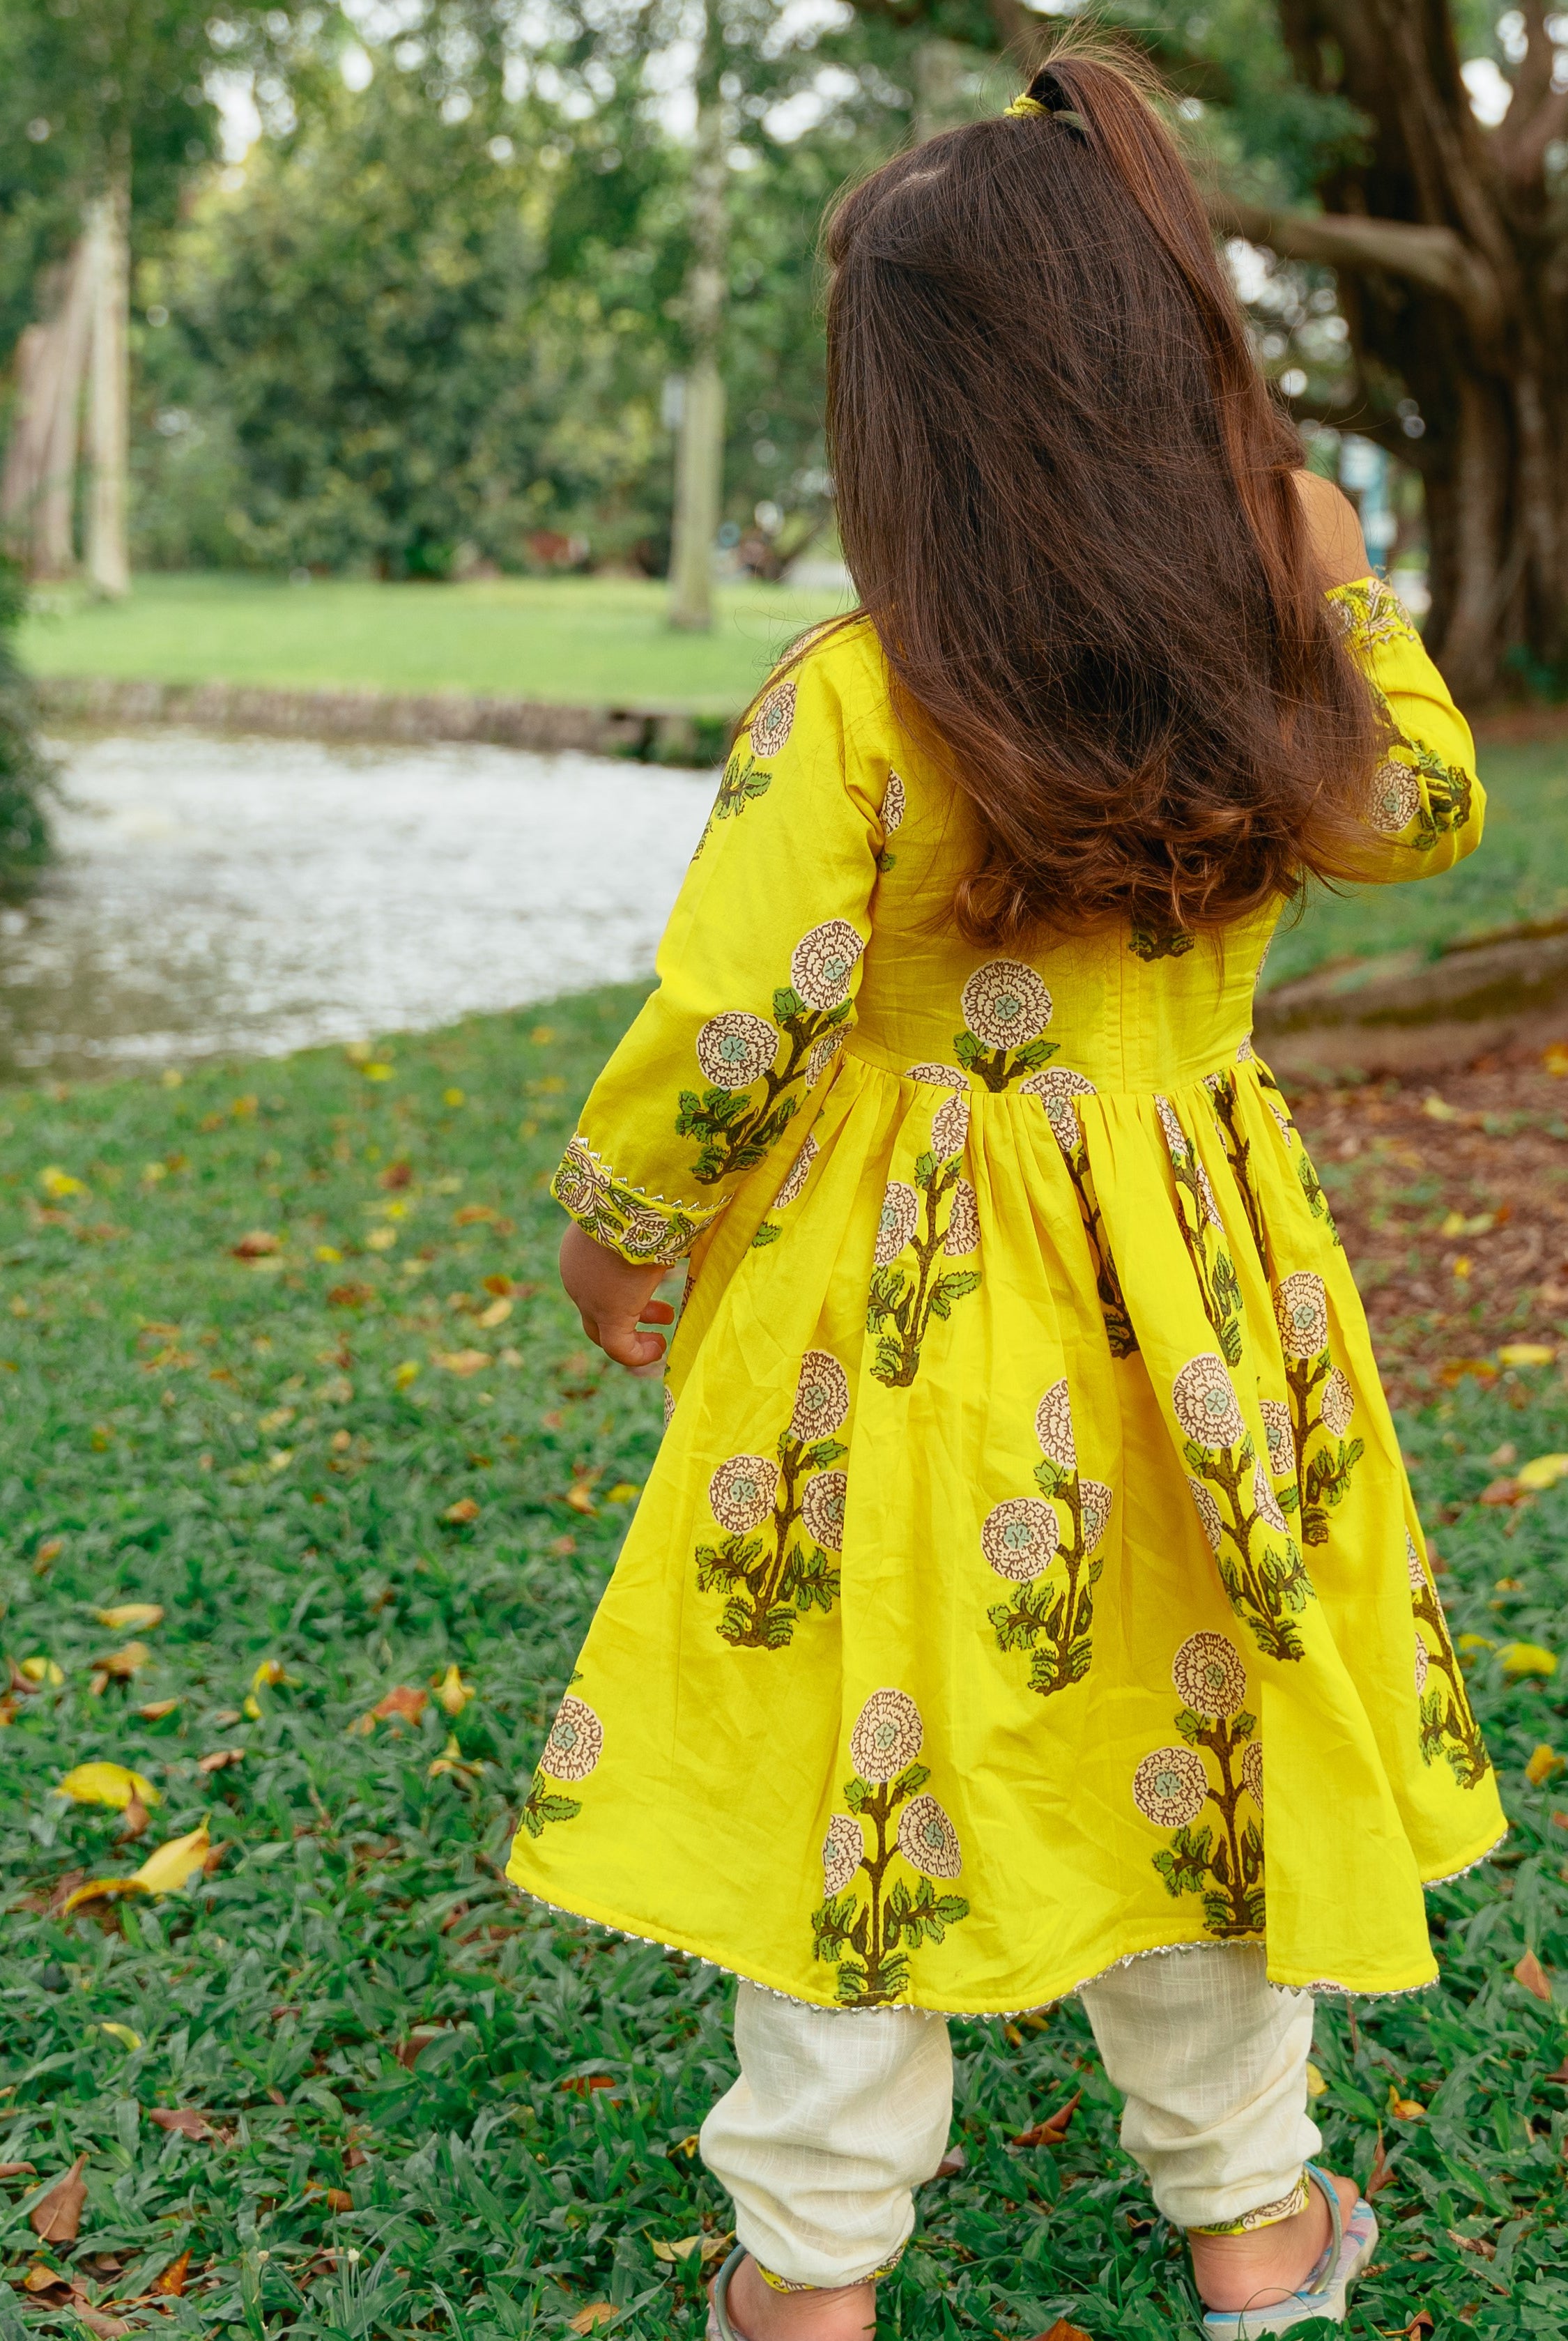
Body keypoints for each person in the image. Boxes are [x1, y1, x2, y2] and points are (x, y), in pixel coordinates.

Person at [507, 39, 1505, 2340]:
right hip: (1205, 1313)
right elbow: (1423, 812)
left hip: (895, 1330)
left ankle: (808, 2282)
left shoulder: (860, 697)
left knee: (852, 1766)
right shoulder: (1263, 670)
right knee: (1197, 1722)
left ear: (909, 421)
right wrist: (1340, 587)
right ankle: (1251, 2228)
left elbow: (734, 1022)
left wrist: (617, 1223)